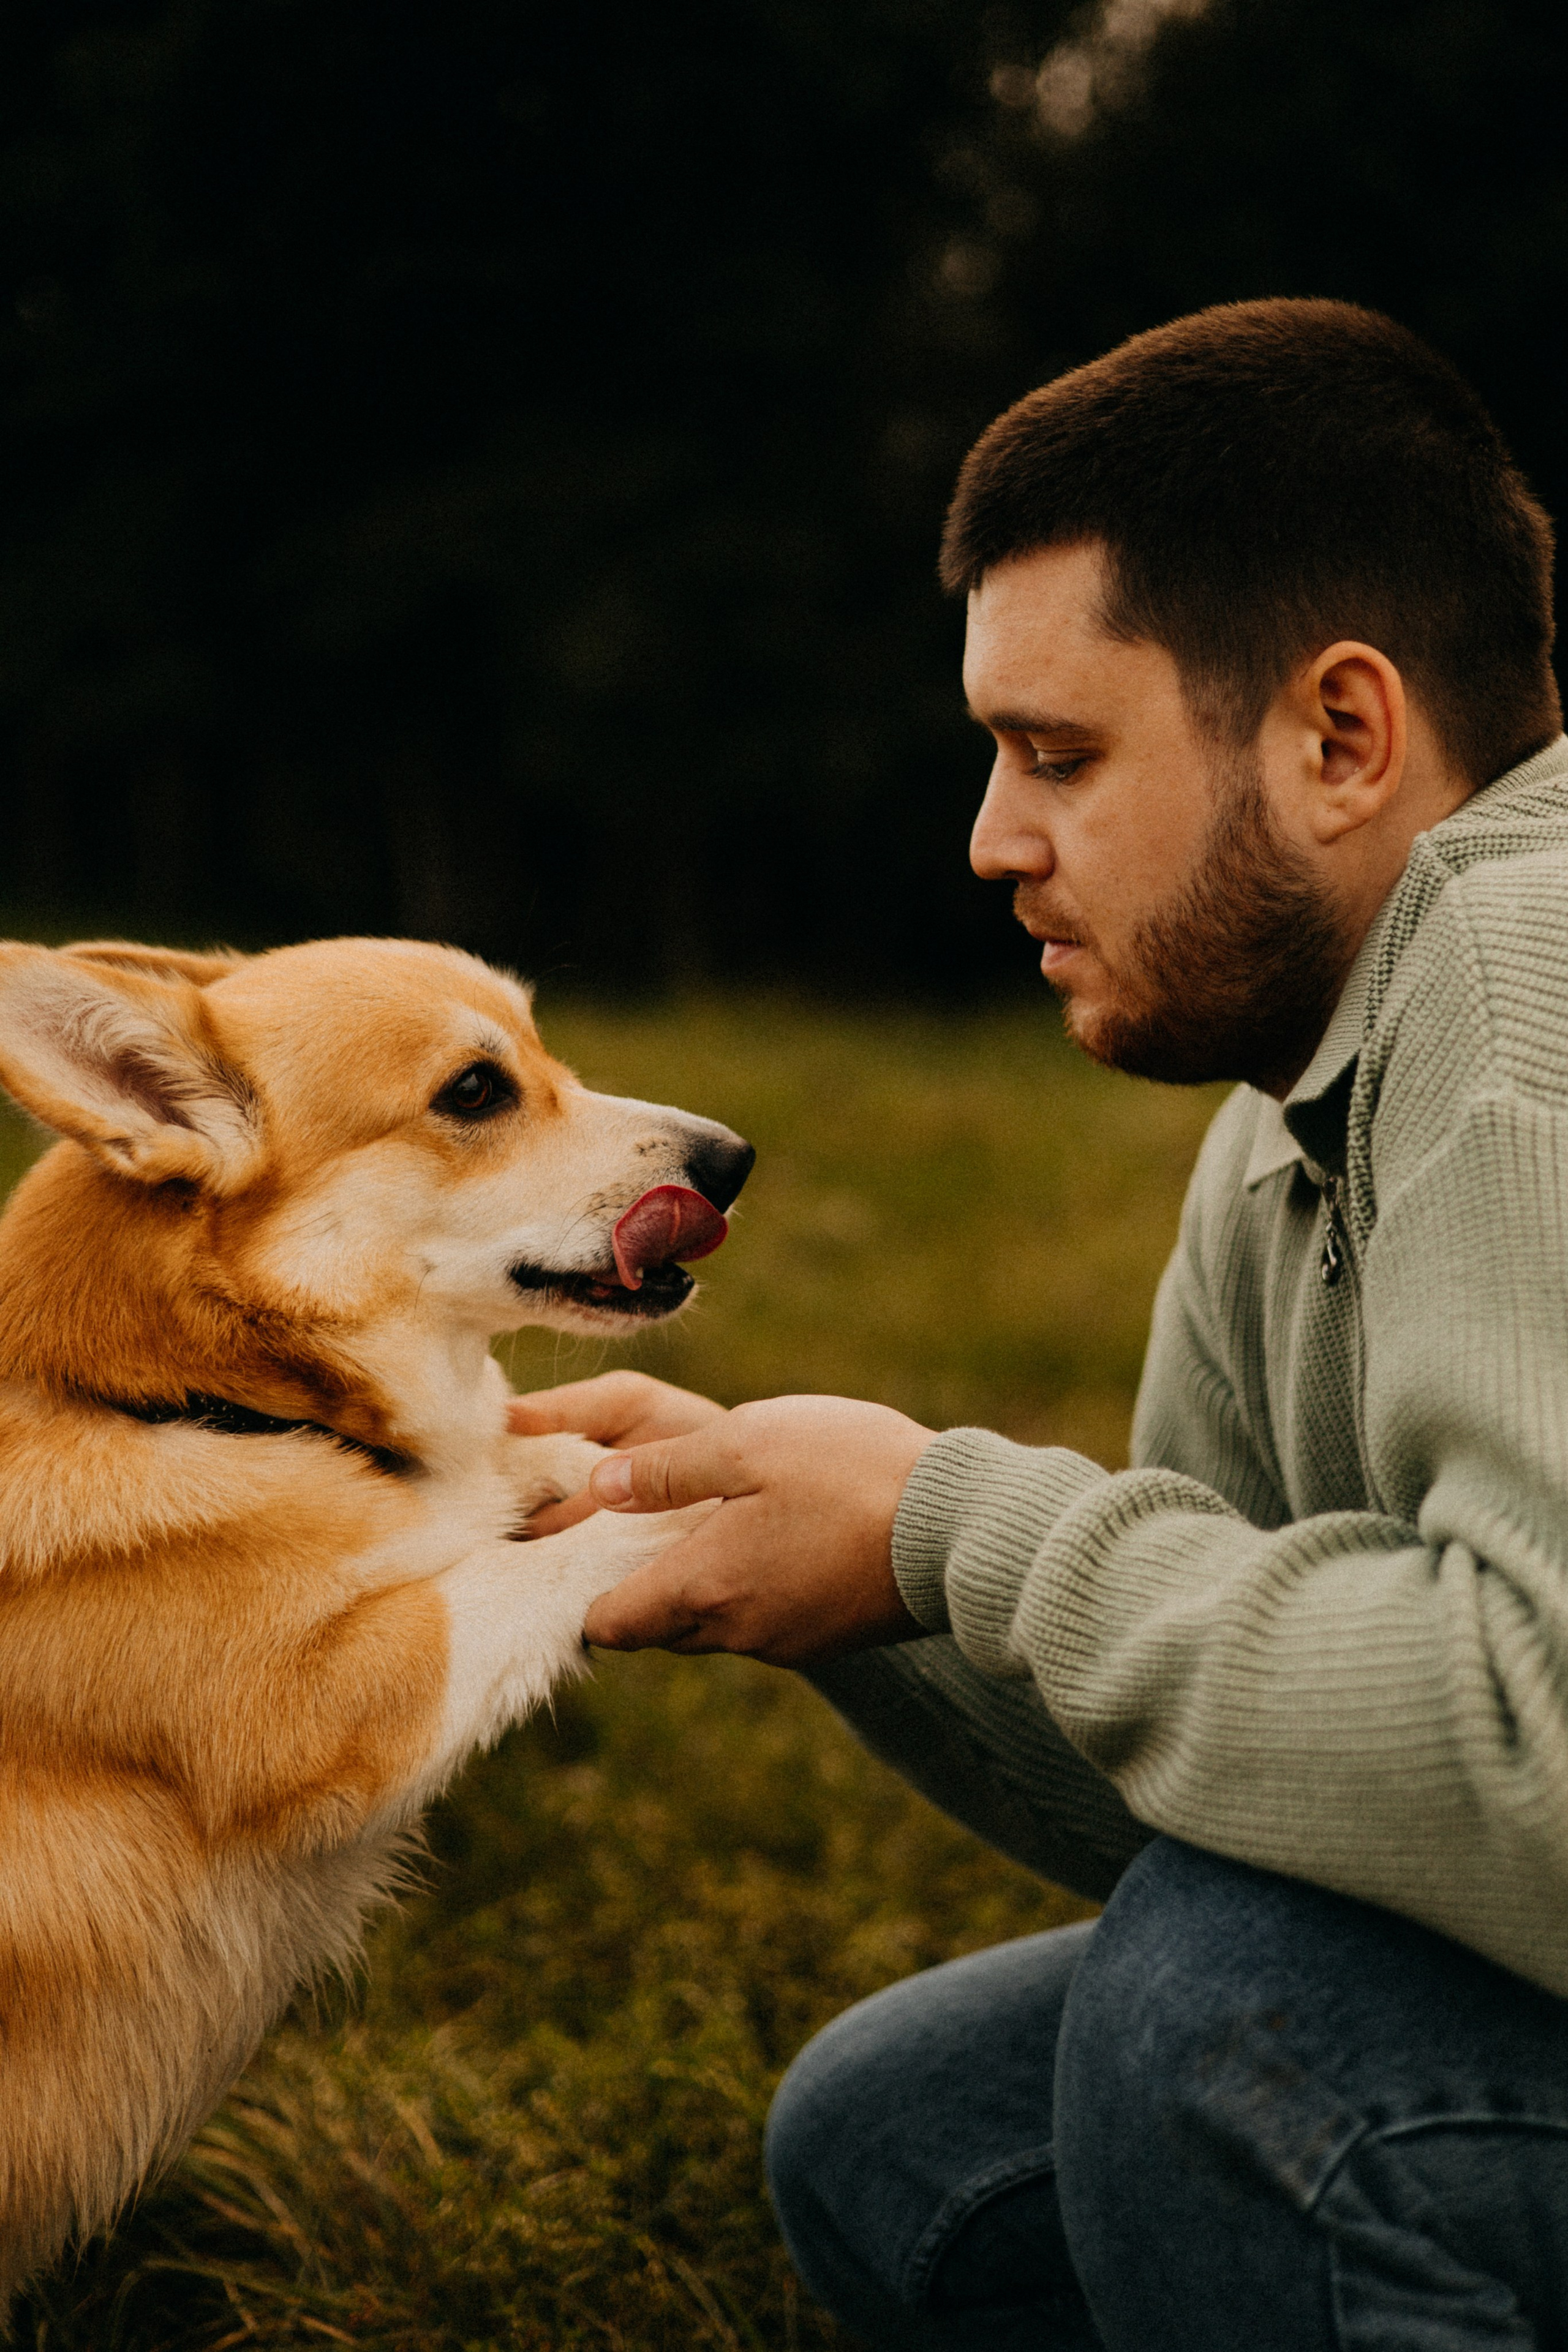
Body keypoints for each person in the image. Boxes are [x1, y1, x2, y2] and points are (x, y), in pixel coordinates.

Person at [511, 299, 1568, 2349]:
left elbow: (1540, 1752)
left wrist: (949, 1523)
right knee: (901, 2138)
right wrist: (814, 1560)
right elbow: (1236, 1796)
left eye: (1059, 756)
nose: (995, 839)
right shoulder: (1288, 1119)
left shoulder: (1527, 984)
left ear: (1341, 737)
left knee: (1223, 2041)